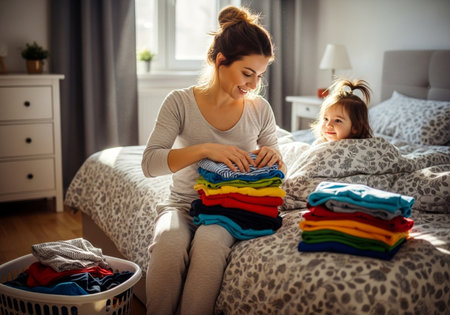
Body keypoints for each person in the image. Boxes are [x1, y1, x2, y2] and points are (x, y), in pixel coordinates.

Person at [141, 6, 285, 315]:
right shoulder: (179, 102)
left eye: (259, 76)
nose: (253, 84)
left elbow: (278, 171)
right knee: (168, 245)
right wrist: (205, 149)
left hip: (229, 211)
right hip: (181, 204)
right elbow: (150, 163)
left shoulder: (259, 109)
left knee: (208, 247)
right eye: (247, 73)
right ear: (221, 61)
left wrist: (276, 158)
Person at [311, 78, 373, 143]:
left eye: (337, 120)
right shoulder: (320, 143)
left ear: (355, 127)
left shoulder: (360, 147)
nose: (328, 125)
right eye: (326, 119)